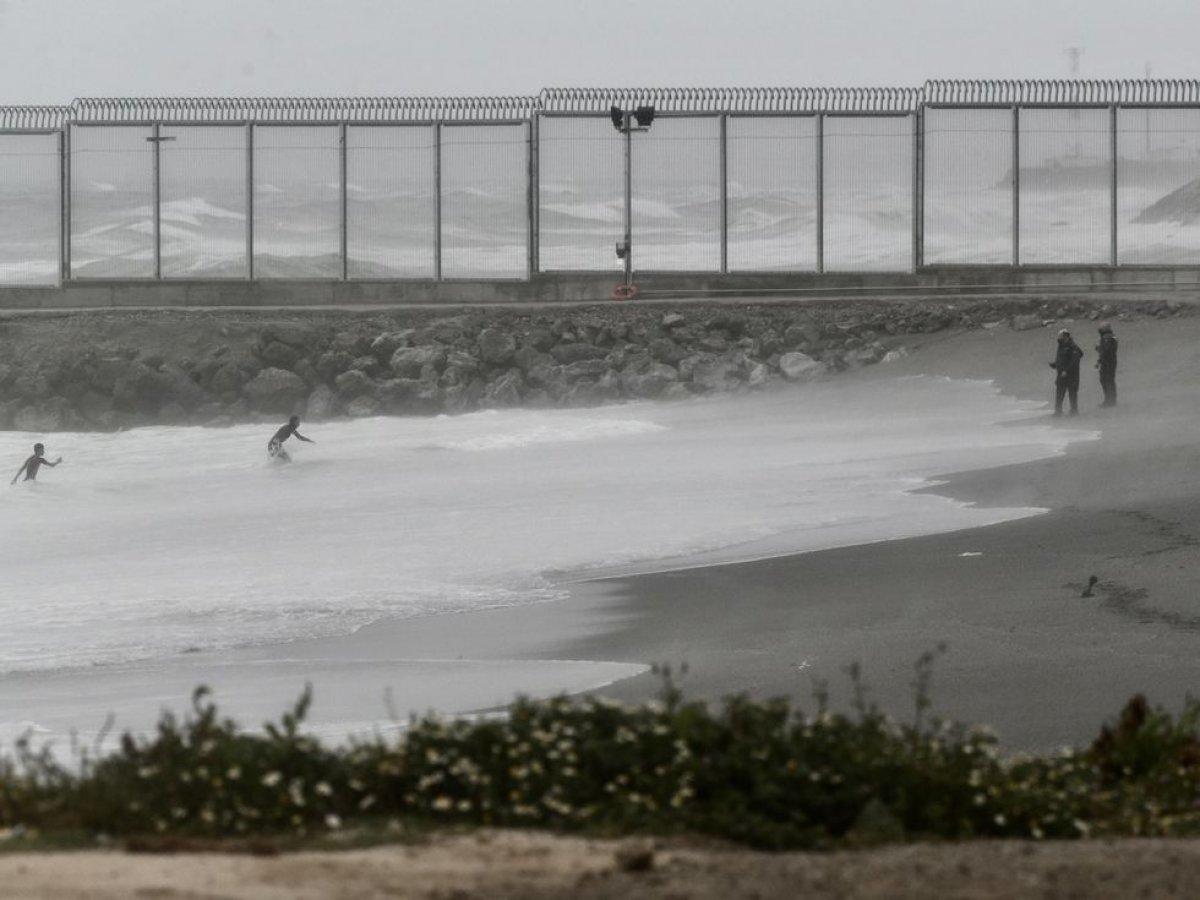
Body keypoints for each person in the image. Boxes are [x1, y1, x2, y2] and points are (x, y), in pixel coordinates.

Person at [1049, 328, 1084, 417]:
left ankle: (1074, 410)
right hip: (1061, 374)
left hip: (1071, 375)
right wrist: (1055, 364)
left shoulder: (1073, 346)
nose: (1058, 338)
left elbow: (1074, 360)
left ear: (1065, 336)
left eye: (1060, 336)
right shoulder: (1061, 346)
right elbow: (1060, 359)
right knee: (1059, 393)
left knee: (1072, 393)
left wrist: (1066, 370)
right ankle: (1058, 411)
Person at [1096, 323, 1118, 407]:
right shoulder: (1112, 336)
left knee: (1106, 381)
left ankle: (1109, 400)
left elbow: (1105, 351)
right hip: (1111, 362)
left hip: (1107, 363)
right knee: (1110, 381)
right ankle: (1112, 400)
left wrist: (1098, 348)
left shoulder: (1106, 338)